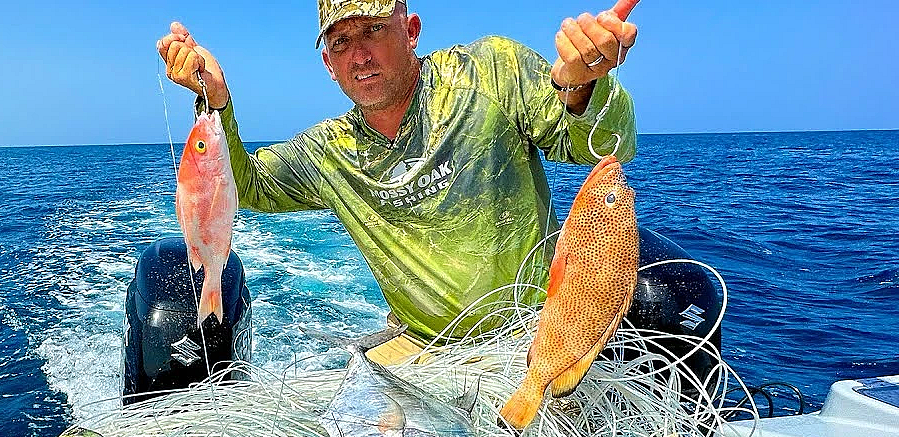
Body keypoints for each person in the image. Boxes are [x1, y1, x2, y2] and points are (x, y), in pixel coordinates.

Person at [156, 1, 640, 364]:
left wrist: (582, 86)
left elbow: (599, 147)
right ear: (328, 64)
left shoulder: (491, 73)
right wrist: (215, 101)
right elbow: (247, 185)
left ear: (410, 31)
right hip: (422, 349)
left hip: (540, 334)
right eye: (341, 42)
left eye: (373, 29)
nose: (359, 55)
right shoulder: (329, 152)